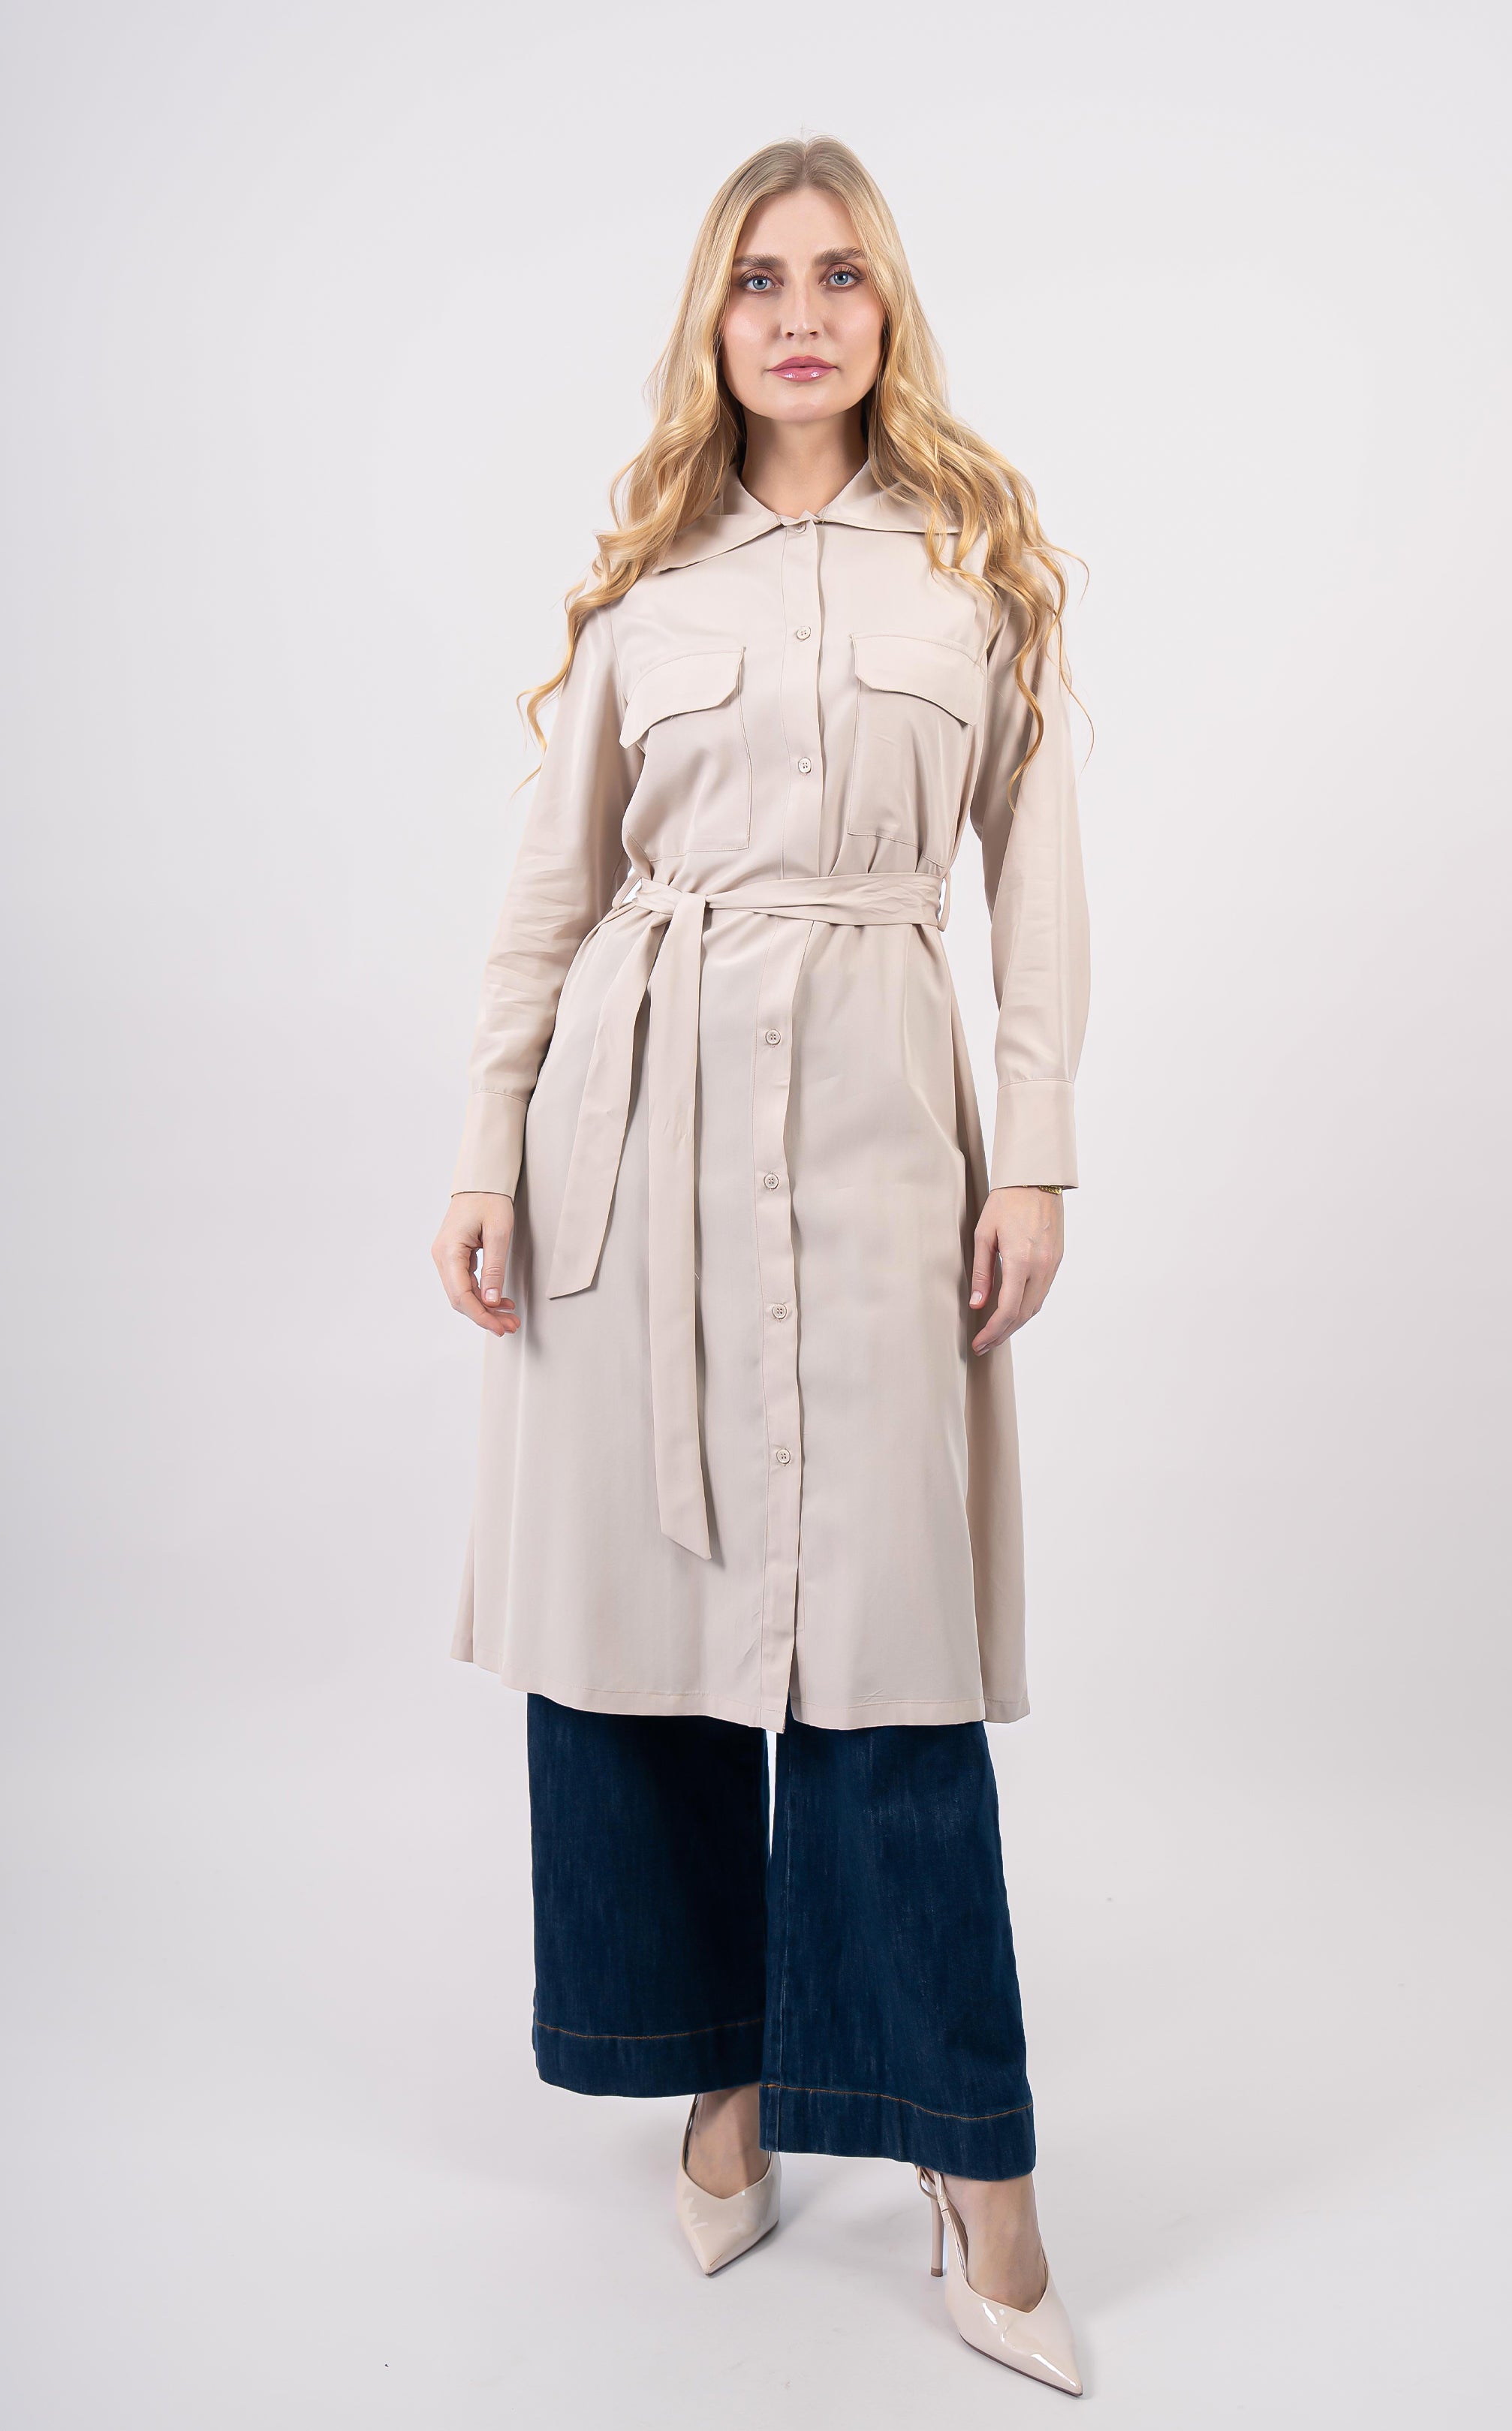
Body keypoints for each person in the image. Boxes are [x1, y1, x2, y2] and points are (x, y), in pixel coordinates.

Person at [431, 135, 1090, 2394]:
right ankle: (715, 2072)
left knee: (890, 1643)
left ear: (889, 310)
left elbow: (1039, 887)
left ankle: (975, 2169)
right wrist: (490, 1150)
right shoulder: (652, 588)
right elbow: (551, 891)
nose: (799, 317)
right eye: (756, 282)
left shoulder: (978, 574)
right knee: (650, 1623)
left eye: (837, 277)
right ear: (710, 324)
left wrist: (1037, 1157)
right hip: (637, 1133)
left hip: (885, 1125)